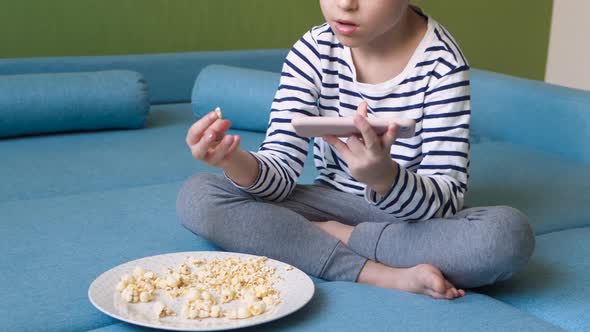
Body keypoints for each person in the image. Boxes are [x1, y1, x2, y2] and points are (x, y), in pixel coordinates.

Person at [177, 0, 535, 300]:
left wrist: (385, 178)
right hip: (329, 200)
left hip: (411, 223)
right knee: (199, 195)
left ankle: (331, 236)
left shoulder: (443, 66)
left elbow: (444, 202)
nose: (345, 4)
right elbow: (281, 174)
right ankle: (375, 273)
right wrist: (233, 161)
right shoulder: (313, 51)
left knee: (505, 237)